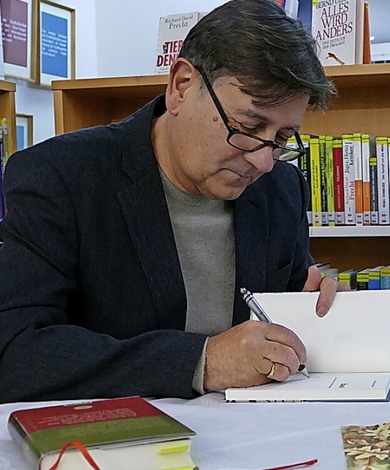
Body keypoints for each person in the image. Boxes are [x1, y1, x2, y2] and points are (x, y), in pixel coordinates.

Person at [0, 0, 344, 403]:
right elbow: (16, 353)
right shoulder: (60, 177)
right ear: (181, 86)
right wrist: (202, 361)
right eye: (248, 127)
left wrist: (314, 318)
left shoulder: (281, 188)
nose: (264, 160)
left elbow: (276, 323)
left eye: (283, 138)